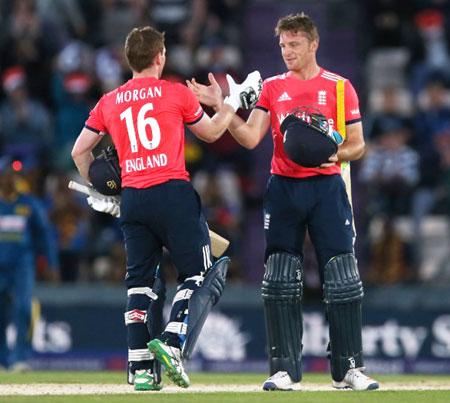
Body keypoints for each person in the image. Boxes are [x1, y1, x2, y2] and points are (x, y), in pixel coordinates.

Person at [188, 12, 379, 391]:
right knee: (278, 280)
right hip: (284, 188)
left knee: (342, 278)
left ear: (313, 44)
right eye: (282, 46)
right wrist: (221, 106)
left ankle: (349, 369)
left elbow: (358, 144)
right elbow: (250, 138)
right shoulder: (273, 88)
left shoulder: (340, 88)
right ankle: (284, 370)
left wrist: (338, 155)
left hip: (327, 188)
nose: (287, 52)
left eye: (294, 45)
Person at [71, 25, 261, 391]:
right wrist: (233, 102)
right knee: (200, 275)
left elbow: (80, 151)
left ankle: (139, 369)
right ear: (160, 57)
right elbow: (211, 133)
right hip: (172, 191)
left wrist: (106, 192)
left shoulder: (108, 101)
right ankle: (173, 343)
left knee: (139, 285)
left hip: (135, 200)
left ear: (129, 60)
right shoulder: (174, 93)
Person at [0, 156, 59, 371]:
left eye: (13, 175)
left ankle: (19, 359)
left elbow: (44, 235)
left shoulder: (28, 204)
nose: (9, 179)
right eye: (6, 174)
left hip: (21, 265)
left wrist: (51, 264)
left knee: (23, 307)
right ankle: (3, 359)